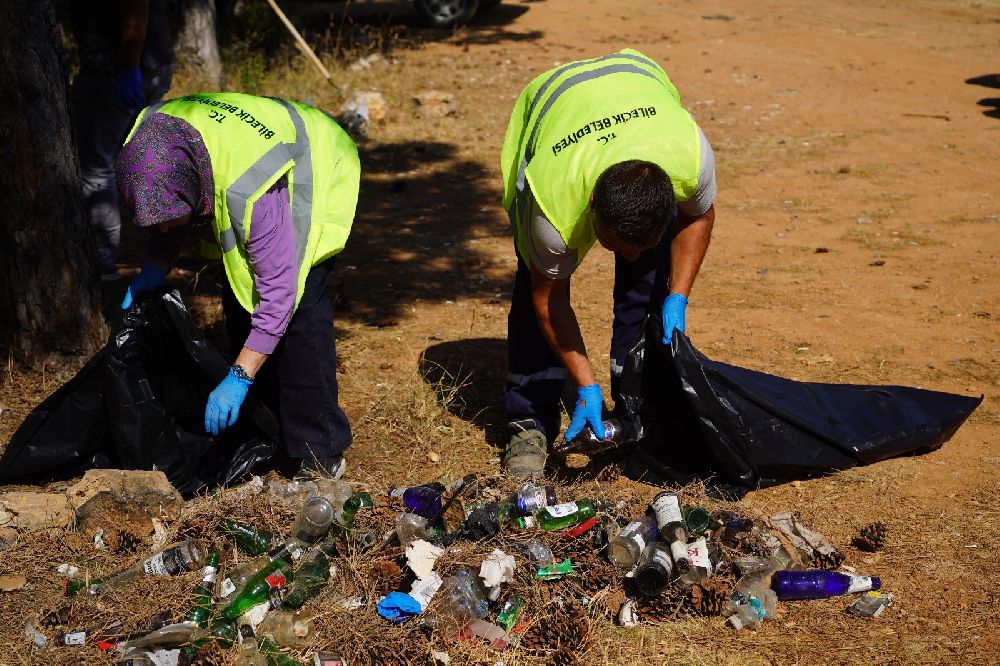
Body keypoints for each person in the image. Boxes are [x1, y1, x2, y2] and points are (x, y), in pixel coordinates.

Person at [114, 92, 360, 481]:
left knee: (300, 311)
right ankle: (268, 428)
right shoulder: (148, 142)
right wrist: (155, 265)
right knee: (242, 298)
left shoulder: (252, 188)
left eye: (169, 219)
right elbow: (167, 204)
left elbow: (280, 294)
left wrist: (240, 376)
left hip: (316, 161)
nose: (162, 228)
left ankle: (320, 450)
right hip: (249, 163)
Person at [499, 48, 717, 477]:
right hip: (553, 106)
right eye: (618, 244)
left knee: (649, 276)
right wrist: (585, 385)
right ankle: (528, 421)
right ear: (593, 207)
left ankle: (635, 402)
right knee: (533, 290)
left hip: (638, 83)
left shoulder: (688, 157)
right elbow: (549, 300)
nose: (630, 255)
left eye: (641, 243)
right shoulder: (554, 205)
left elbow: (700, 216)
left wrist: (677, 297)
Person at [69, 0, 175, 280]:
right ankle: (159, 254)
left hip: (119, 73)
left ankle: (101, 262)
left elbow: (135, 11)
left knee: (96, 166)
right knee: (146, 162)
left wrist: (128, 68)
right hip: (142, 70)